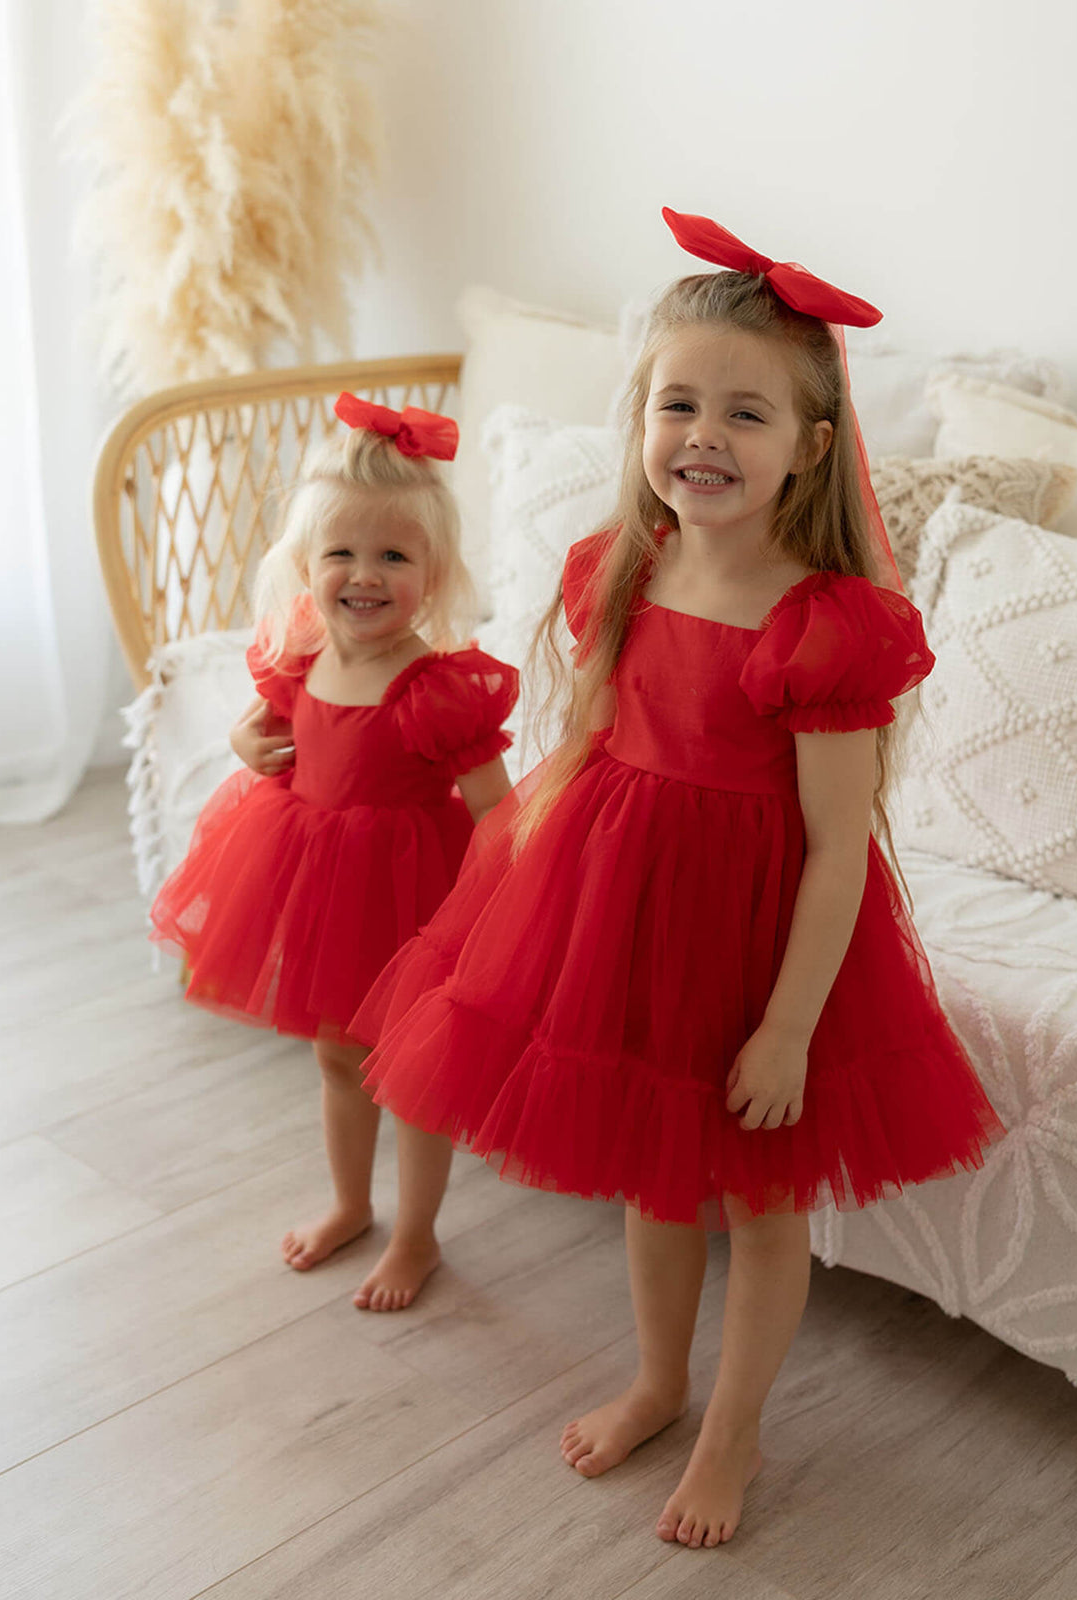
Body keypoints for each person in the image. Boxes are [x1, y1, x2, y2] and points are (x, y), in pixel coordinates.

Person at [350, 213, 1003, 1544]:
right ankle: (657, 1378)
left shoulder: (825, 626)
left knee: (757, 1202)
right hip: (620, 905)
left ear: (812, 448)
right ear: (640, 415)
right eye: (678, 402)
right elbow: (585, 740)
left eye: (745, 412)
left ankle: (736, 1430)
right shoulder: (622, 569)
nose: (703, 434)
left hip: (761, 937)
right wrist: (524, 889)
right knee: (654, 1174)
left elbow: (837, 848)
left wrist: (788, 1026)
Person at [150, 394, 517, 1304]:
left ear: (431, 576)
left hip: (412, 899)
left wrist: (493, 918)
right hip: (315, 887)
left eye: (394, 556)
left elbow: (496, 813)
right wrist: (244, 742)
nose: (365, 575)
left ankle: (419, 1237)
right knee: (334, 1055)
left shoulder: (437, 688)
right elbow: (264, 725)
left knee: (411, 1073)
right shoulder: (301, 656)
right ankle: (353, 1203)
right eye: (342, 554)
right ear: (306, 568)